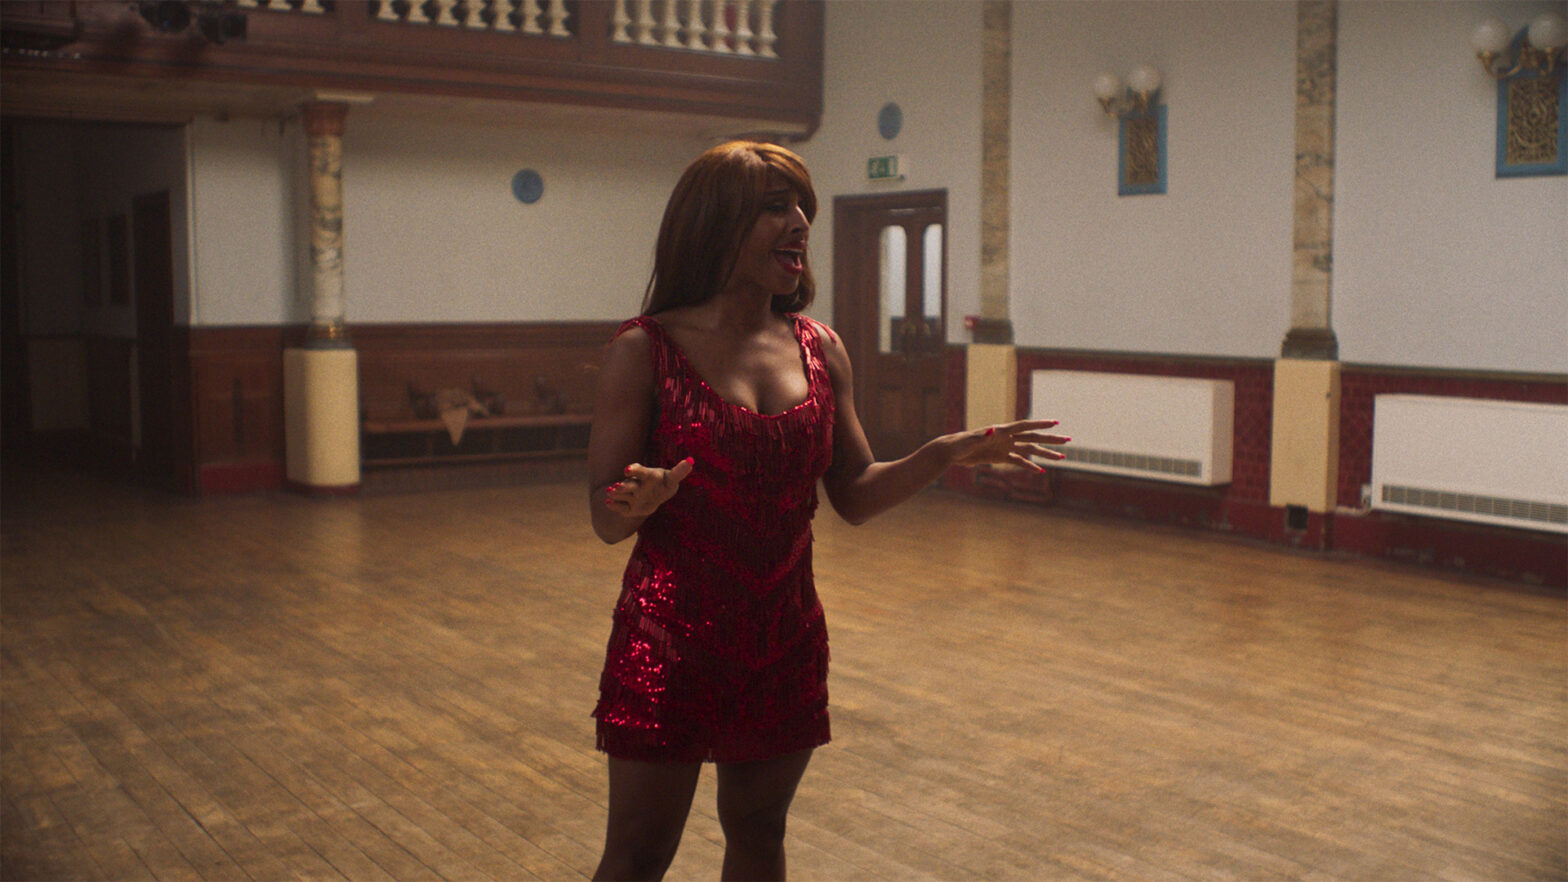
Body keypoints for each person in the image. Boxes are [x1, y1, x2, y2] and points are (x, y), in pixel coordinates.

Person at [586, 140, 1068, 882]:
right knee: (639, 856)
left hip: (785, 639)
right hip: (670, 641)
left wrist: (941, 454)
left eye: (803, 206)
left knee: (760, 835)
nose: (801, 222)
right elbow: (605, 517)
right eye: (775, 207)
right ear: (716, 224)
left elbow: (855, 494)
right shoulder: (645, 350)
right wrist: (635, 502)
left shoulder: (820, 347)